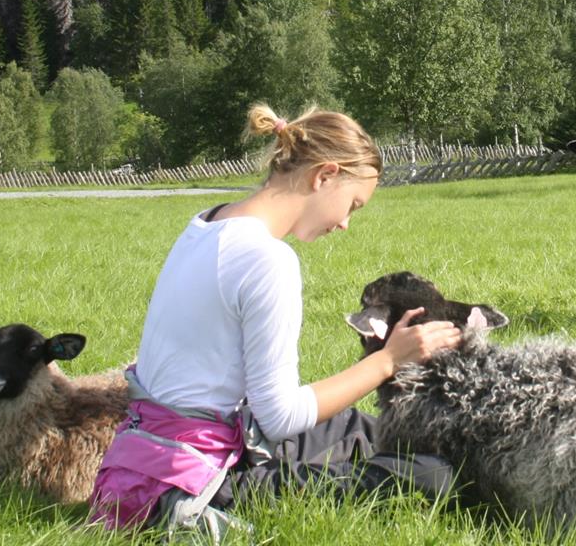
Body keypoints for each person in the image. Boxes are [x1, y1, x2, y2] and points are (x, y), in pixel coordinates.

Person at [88, 103, 462, 539]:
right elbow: (281, 417)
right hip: (189, 488)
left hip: (142, 462)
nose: (344, 223)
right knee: (432, 476)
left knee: (362, 431)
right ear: (324, 176)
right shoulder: (268, 260)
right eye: (352, 205)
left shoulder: (207, 223)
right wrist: (387, 361)